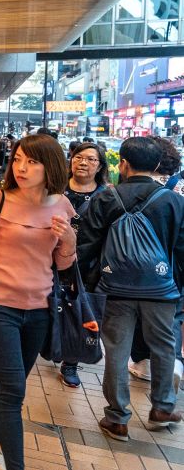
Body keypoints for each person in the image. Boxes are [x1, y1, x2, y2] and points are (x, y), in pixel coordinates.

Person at [0, 134, 77, 470]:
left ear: (50, 166)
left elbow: (64, 264)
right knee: (13, 391)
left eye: (32, 161)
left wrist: (68, 241)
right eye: (18, 159)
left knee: (12, 387)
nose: (21, 167)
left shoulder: (62, 205)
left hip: (39, 310)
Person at [77, 137, 184, 442]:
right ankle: (163, 408)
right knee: (164, 347)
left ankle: (116, 418)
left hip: (115, 288)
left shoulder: (106, 199)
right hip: (162, 291)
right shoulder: (175, 201)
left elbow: (87, 245)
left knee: (116, 349)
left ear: (122, 164)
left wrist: (84, 285)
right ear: (158, 166)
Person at [127, 137, 184, 383]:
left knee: (141, 315)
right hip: (173, 265)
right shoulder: (178, 185)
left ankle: (144, 362)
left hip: (139, 265)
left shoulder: (140, 186)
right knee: (173, 315)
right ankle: (175, 363)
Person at [55, 142, 110, 388]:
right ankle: (50, 344)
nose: (83, 163)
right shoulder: (56, 189)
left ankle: (71, 362)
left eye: (91, 159)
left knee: (78, 310)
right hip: (50, 259)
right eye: (78, 157)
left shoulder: (107, 196)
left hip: (86, 265)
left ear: (99, 166)